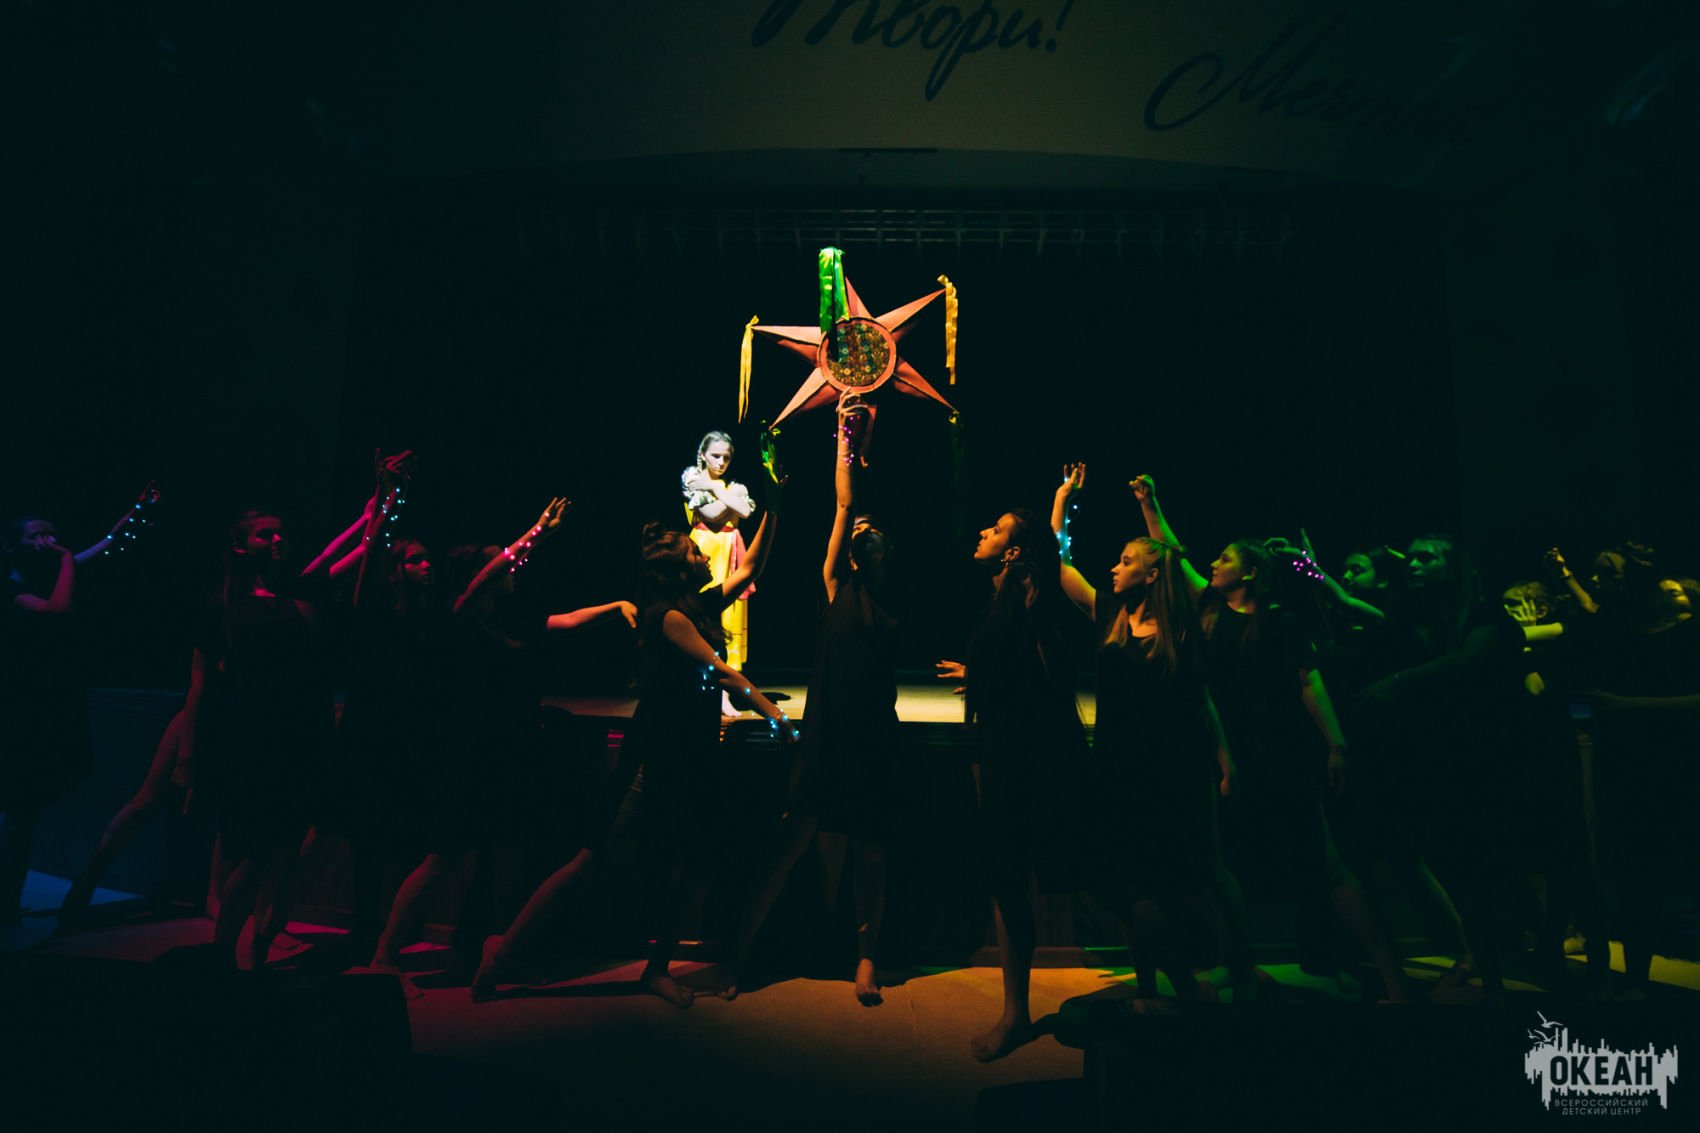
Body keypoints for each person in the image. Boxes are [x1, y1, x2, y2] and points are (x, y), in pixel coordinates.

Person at [472, 470, 789, 1006]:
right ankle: (502, 953)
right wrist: (779, 720)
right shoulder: (669, 618)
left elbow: (751, 567)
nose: (704, 554)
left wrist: (776, 508)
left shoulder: (698, 605)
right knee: (592, 861)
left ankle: (656, 970)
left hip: (689, 753)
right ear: (677, 567)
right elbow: (722, 674)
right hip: (655, 757)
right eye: (694, 551)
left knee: (696, 864)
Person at [1133, 474, 1411, 1003]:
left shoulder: (1283, 624)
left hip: (1280, 756)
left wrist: (1336, 746)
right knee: (1223, 866)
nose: (1214, 564)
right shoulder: (1209, 609)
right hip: (1227, 755)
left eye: (1225, 558)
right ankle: (1235, 963)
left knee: (1326, 865)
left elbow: (1310, 684)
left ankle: (1392, 977)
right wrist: (1150, 503)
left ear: (1251, 572)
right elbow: (1173, 552)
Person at [1051, 464, 1246, 1003]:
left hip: (1176, 770)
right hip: (1119, 768)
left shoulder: (1184, 626)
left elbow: (1201, 701)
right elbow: (1060, 563)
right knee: (1128, 880)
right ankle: (1148, 985)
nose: (1114, 568)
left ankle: (1235, 970)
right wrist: (1063, 501)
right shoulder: (1109, 614)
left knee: (1190, 873)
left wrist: (1149, 507)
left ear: (1153, 575)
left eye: (1126, 562)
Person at [727, 395, 897, 1006]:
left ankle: (866, 960)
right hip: (826, 739)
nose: (865, 530)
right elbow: (845, 503)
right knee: (785, 847)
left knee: (872, 854)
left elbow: (862, 512)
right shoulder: (834, 584)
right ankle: (740, 956)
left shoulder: (891, 602)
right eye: (859, 532)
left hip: (873, 741)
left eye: (875, 531)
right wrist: (845, 437)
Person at [937, 504, 1089, 1060]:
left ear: (1015, 551)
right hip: (1011, 752)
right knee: (1009, 879)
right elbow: (1021, 663)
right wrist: (981, 674)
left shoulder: (1029, 594)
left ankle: (1181, 983)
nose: (984, 531)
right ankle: (1016, 1013)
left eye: (997, 529)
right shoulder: (1007, 594)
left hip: (1031, 758)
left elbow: (1050, 672)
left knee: (1082, 877)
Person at [2, 484, 160, 932]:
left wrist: (136, 513)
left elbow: (103, 547)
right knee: (20, 812)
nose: (49, 542)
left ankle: (6, 904)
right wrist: (68, 559)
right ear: (14, 544)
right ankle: (5, 907)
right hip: (18, 711)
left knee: (24, 812)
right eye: (38, 536)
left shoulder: (47, 575)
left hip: (42, 707)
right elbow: (57, 611)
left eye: (52, 534)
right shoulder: (9, 589)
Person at [682, 431, 756, 687]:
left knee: (731, 612)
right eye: (715, 456)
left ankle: (726, 686)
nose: (721, 462)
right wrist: (730, 496)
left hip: (730, 549)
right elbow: (711, 514)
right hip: (704, 547)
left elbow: (745, 511)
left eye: (726, 457)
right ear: (703, 455)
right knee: (702, 606)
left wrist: (715, 487)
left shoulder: (729, 486)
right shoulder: (692, 477)